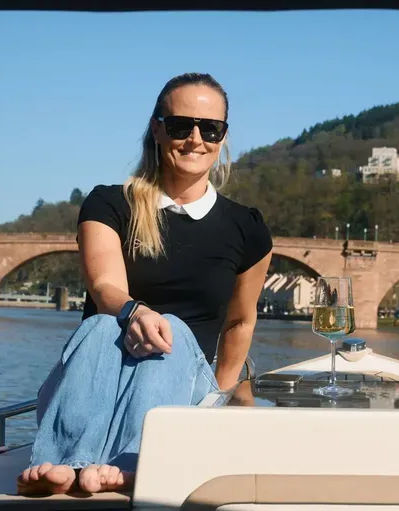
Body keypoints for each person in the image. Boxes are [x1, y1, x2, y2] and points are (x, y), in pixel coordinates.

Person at [16, 72, 273, 495]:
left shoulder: (247, 228)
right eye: (179, 126)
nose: (195, 139)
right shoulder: (109, 203)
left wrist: (220, 403)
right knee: (102, 324)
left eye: (210, 129)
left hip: (183, 389)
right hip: (99, 379)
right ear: (156, 128)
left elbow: (240, 324)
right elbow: (104, 287)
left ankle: (135, 458)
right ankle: (62, 460)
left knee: (171, 330)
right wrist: (136, 311)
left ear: (223, 137)